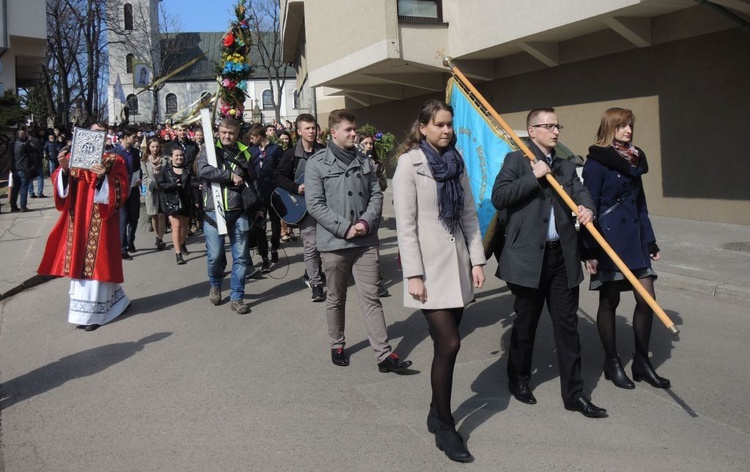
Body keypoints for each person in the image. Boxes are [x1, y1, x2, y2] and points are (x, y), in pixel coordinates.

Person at [491, 107, 607, 418]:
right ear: (533, 130)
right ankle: (519, 379)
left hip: (561, 257)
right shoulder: (516, 160)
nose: (556, 131)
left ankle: (575, 394)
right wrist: (533, 176)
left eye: (558, 126)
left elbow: (583, 194)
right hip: (528, 257)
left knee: (567, 328)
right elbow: (499, 197)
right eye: (549, 126)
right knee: (526, 325)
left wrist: (587, 209)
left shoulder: (567, 166)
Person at [393, 99, 485, 462]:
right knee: (449, 344)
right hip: (428, 268)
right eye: (441, 124)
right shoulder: (409, 164)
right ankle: (446, 427)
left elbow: (469, 216)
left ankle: (436, 409)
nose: (447, 130)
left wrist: (476, 260)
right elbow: (406, 224)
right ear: (423, 127)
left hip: (457, 262)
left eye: (450, 124)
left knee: (444, 347)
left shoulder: (457, 162)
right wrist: (412, 274)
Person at [305, 109, 412, 372]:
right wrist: (346, 228)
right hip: (334, 243)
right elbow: (315, 205)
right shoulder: (317, 163)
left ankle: (384, 355)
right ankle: (337, 343)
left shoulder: (364, 160)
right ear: (333, 133)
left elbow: (376, 195)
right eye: (349, 130)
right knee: (336, 297)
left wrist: (365, 222)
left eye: (355, 129)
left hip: (365, 241)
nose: (354, 133)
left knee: (371, 297)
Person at [582, 107, 670, 389]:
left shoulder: (633, 160)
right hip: (608, 241)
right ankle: (612, 362)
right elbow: (588, 208)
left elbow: (640, 204)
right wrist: (589, 250)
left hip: (634, 239)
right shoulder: (596, 163)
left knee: (647, 300)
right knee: (609, 302)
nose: (628, 131)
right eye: (621, 126)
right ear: (610, 128)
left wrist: (650, 239)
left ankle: (642, 362)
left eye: (630, 125)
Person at [37, 124, 131, 332]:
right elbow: (60, 186)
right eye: (92, 131)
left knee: (99, 263)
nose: (95, 135)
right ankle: (118, 303)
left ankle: (92, 315)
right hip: (78, 219)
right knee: (80, 260)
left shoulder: (114, 159)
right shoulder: (73, 158)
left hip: (101, 220)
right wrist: (63, 169)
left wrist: (103, 178)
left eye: (100, 132)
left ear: (104, 136)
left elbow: (122, 187)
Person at [196, 117, 253, 315]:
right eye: (224, 132)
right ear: (218, 132)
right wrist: (229, 176)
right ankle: (215, 283)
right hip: (214, 212)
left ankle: (237, 297)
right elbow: (202, 170)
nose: (227, 136)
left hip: (239, 211)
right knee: (215, 256)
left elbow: (253, 179)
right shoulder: (209, 150)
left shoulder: (244, 152)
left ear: (237, 134)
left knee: (241, 257)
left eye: (231, 133)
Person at [274, 113, 325, 301]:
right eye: (307, 128)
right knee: (311, 245)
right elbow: (278, 177)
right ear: (298, 131)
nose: (311, 131)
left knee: (323, 245)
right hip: (304, 207)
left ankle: (312, 272)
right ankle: (316, 284)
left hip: (323, 205)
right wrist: (296, 187)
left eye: (313, 128)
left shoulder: (324, 151)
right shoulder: (290, 154)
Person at [356, 130, 390, 298]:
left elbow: (383, 185)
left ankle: (375, 277)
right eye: (365, 143)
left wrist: (374, 171)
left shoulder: (377, 163)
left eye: (370, 143)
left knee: (373, 241)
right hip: (357, 206)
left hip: (373, 207)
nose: (368, 146)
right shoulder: (353, 161)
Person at [247, 123, 283, 272]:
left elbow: (281, 168)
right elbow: (248, 169)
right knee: (260, 226)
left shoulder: (275, 149)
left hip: (273, 192)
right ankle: (264, 258)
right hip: (258, 193)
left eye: (253, 137)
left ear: (260, 137)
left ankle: (274, 248)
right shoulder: (252, 151)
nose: (251, 140)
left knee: (275, 224)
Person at [159, 146, 193, 264]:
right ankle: (178, 254)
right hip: (171, 201)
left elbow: (193, 181)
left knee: (184, 227)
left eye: (181, 155)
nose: (179, 157)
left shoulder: (188, 169)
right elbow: (160, 185)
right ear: (171, 157)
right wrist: (173, 185)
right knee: (176, 226)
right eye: (176, 155)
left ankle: (182, 243)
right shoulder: (165, 170)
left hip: (186, 200)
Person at [115, 125, 142, 260]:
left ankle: (130, 240)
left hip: (134, 189)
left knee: (134, 218)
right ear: (126, 138)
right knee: (123, 219)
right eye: (134, 137)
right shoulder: (114, 153)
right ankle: (122, 248)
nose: (136, 139)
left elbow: (138, 169)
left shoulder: (136, 152)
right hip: (120, 191)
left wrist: (139, 179)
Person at [141, 137, 167, 251]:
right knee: (154, 215)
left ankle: (160, 238)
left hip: (163, 189)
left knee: (162, 214)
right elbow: (144, 177)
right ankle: (157, 235)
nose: (155, 149)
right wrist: (152, 184)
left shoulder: (165, 159)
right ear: (149, 147)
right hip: (151, 190)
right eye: (153, 147)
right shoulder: (144, 161)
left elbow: (167, 173)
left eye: (157, 146)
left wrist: (162, 184)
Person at [10, 130, 32, 212]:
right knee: (24, 187)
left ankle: (13, 206)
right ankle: (23, 206)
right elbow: (32, 150)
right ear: (23, 135)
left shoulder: (11, 144)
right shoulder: (25, 144)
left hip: (14, 168)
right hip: (23, 167)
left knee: (15, 188)